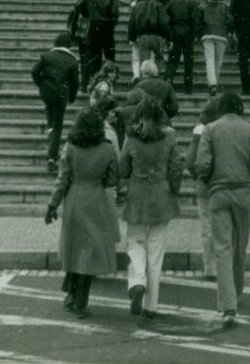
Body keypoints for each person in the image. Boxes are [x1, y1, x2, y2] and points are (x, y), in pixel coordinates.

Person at [196, 91, 250, 328]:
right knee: (241, 245)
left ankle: (228, 305)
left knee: (223, 248)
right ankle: (237, 289)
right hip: (243, 192)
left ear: (221, 108)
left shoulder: (210, 129)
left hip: (218, 192)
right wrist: (249, 177)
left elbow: (202, 164)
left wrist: (208, 179)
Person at [44, 108, 120, 320]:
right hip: (96, 198)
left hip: (74, 199)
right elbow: (113, 178)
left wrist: (52, 205)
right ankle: (80, 300)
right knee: (89, 251)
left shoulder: (71, 146)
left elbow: (62, 179)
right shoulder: (107, 148)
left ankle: (70, 294)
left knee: (75, 248)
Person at [118, 96, 185, 328]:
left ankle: (137, 281)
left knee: (135, 242)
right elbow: (177, 166)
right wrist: (174, 189)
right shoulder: (169, 135)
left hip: (137, 194)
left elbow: (122, 167)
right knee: (156, 253)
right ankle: (150, 306)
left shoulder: (131, 136)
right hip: (161, 194)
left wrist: (131, 176)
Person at [185, 95, 222, 281]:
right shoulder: (225, 129)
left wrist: (197, 176)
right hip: (224, 183)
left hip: (205, 184)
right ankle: (224, 264)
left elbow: (190, 160)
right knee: (224, 225)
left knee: (206, 225)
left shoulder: (200, 130)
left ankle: (210, 268)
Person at [31, 33, 81, 168]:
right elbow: (75, 83)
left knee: (49, 106)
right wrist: (72, 97)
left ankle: (50, 128)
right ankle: (52, 159)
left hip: (46, 90)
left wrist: (40, 83)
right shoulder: (72, 61)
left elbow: (34, 71)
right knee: (59, 123)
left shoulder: (46, 56)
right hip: (61, 94)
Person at [118, 58, 180, 123]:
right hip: (161, 120)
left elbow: (131, 105)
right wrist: (163, 114)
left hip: (144, 121)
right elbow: (174, 107)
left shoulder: (139, 86)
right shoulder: (167, 85)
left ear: (143, 72)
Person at [127, 0, 170, 78]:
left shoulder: (137, 6)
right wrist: (168, 37)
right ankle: (156, 76)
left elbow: (132, 23)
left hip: (143, 36)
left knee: (143, 61)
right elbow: (163, 23)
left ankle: (144, 80)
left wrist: (132, 38)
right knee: (159, 58)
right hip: (157, 37)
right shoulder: (159, 5)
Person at [166, 0, 201, 94]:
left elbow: (165, 17)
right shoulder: (194, 3)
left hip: (175, 33)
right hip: (188, 33)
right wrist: (196, 34)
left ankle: (168, 79)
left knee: (173, 59)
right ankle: (187, 87)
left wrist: (169, 32)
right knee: (188, 60)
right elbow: (196, 20)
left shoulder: (172, 2)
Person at [198, 0, 231, 95]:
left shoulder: (203, 7)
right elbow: (229, 20)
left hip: (207, 35)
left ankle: (212, 84)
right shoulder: (225, 6)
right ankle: (214, 82)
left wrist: (199, 35)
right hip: (221, 35)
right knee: (218, 61)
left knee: (209, 60)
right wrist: (230, 32)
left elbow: (199, 22)